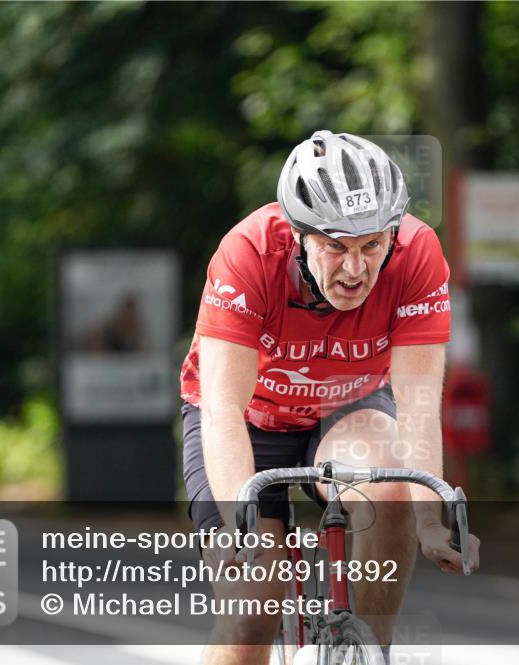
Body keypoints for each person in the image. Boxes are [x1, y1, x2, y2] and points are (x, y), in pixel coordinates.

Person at [179, 130, 481, 665]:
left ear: (392, 234)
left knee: (390, 489)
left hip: (348, 411)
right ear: (298, 234)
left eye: (371, 246)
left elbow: (415, 402)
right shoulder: (248, 253)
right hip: (248, 420)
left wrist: (430, 521)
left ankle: (367, 652)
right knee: (254, 603)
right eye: (335, 246)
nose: (355, 268)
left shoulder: (417, 255)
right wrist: (237, 525)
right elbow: (222, 407)